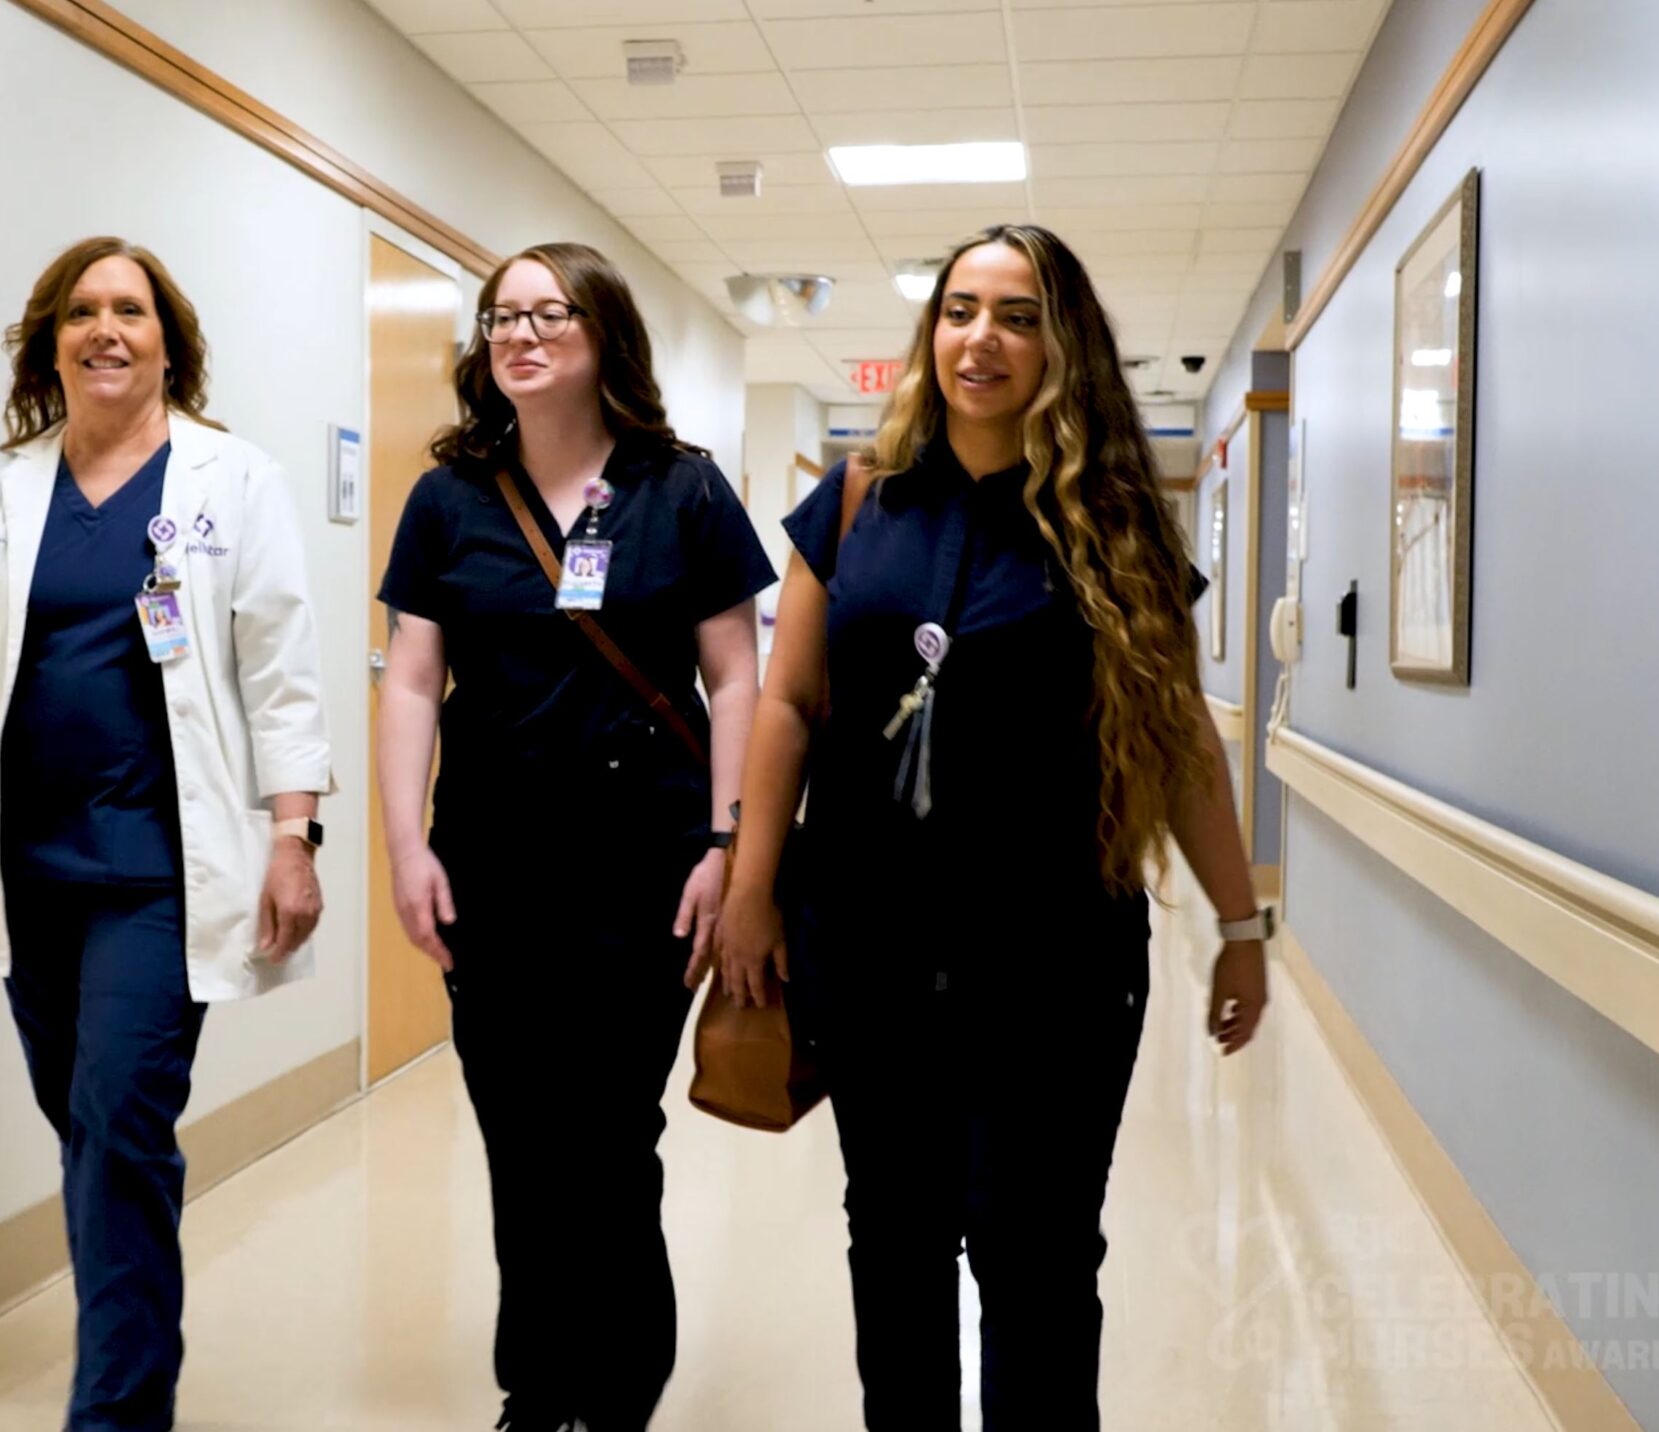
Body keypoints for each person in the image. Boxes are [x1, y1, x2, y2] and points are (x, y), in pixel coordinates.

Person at [713, 223, 1272, 1430]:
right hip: (868, 951)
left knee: (1037, 1265)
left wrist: (1241, 923)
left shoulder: (1118, 530)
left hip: (1055, 963)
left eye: (1016, 316)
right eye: (960, 309)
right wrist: (752, 886)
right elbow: (791, 702)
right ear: (931, 334)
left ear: (1060, 345)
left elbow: (1182, 751)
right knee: (895, 1251)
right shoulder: (857, 502)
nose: (981, 338)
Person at [0, 237, 332, 1432]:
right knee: (95, 1132)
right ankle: (135, 1341)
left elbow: (282, 676)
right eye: (80, 311)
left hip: (162, 877)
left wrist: (292, 836)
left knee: (116, 1114)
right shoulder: (1, 489)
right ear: (49, 341)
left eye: (130, 309)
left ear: (170, 340)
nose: (104, 329)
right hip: (27, 872)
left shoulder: (232, 482)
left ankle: (113, 1411)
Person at [374, 242, 775, 1432]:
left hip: (645, 863)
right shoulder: (447, 499)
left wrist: (726, 842)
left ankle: (616, 1383)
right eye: (500, 316)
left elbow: (736, 676)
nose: (520, 333)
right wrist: (406, 847)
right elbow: (410, 681)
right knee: (517, 1129)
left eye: (548, 313)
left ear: (603, 335)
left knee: (608, 1127)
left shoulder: (682, 489)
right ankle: (535, 1381)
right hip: (490, 860)